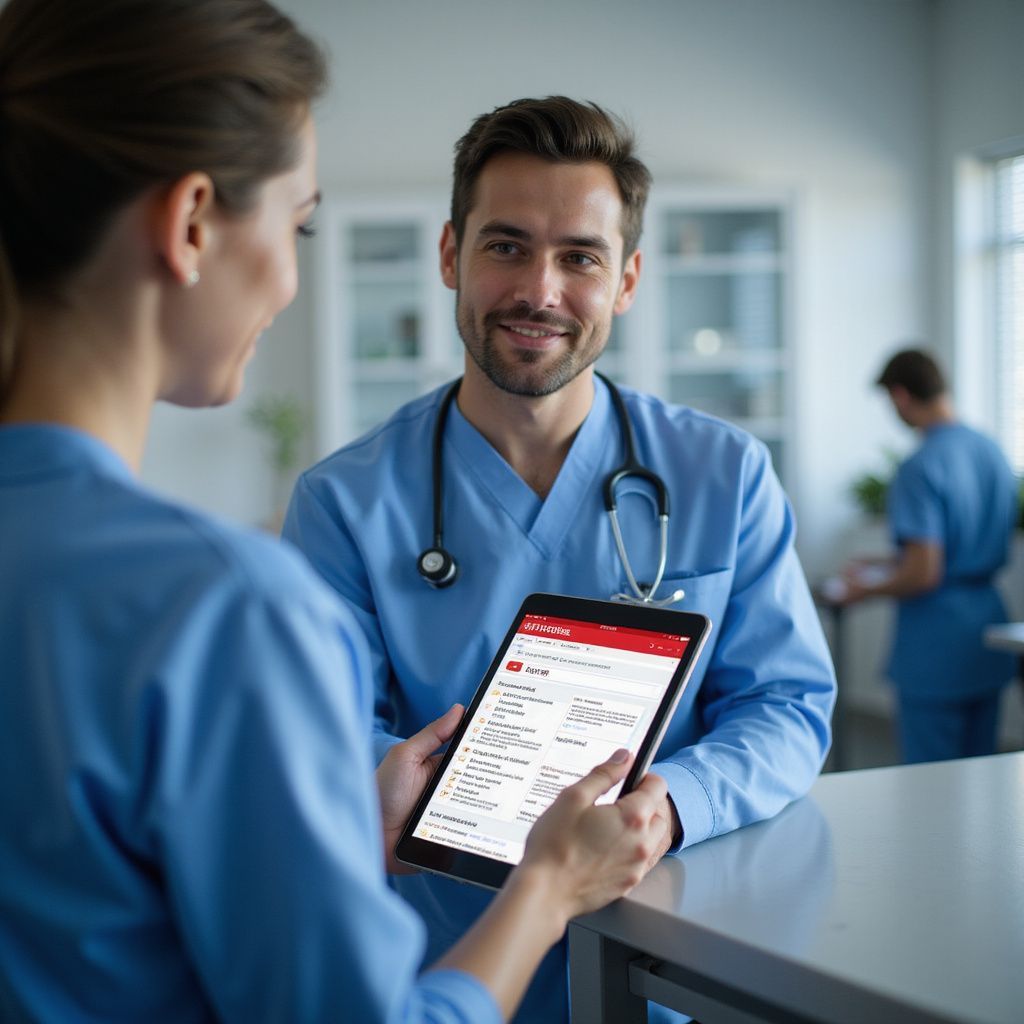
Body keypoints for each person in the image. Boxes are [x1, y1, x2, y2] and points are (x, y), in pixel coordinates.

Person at [0, 6, 670, 1022]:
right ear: (189, 225)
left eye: (579, 256)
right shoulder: (223, 608)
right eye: (297, 223)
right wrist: (548, 886)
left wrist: (345, 820)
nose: (287, 273)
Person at [284, 96, 837, 1023]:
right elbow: (322, 728)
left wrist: (673, 800)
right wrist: (407, 779)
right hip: (441, 969)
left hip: (670, 964)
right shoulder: (343, 502)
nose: (539, 290)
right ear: (451, 255)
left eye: (579, 256)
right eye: (506, 246)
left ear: (625, 280)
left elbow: (787, 704)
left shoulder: (723, 473)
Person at [837, 348, 1018, 763]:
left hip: (938, 640)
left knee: (930, 783)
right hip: (988, 624)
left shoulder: (920, 465)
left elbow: (925, 573)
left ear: (900, 395)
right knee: (983, 771)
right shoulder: (990, 450)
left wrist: (862, 591)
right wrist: (885, 563)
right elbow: (961, 546)